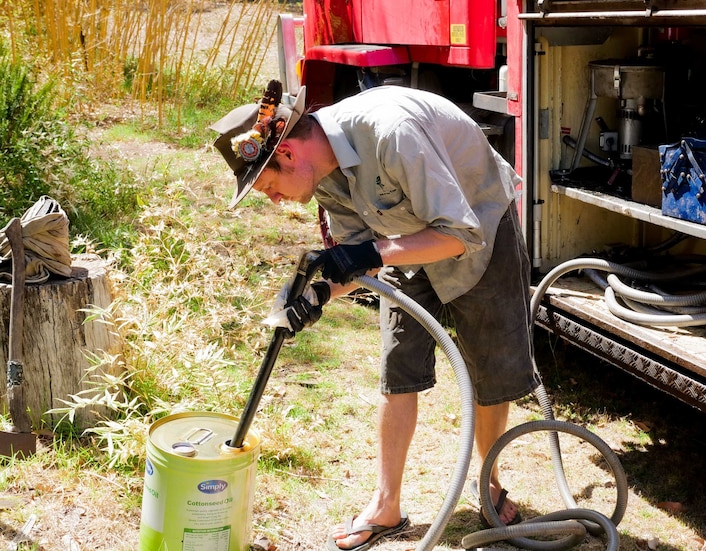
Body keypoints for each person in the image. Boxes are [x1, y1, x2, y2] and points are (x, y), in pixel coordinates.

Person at [211, 79, 540, 551]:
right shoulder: (321, 177)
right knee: (397, 367)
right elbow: (357, 257)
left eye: (268, 187)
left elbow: (457, 234)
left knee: (489, 366)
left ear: (285, 153)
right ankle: (387, 505)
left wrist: (375, 252)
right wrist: (319, 294)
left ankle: (488, 480)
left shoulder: (391, 133)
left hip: (476, 227)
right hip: (403, 241)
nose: (274, 199)